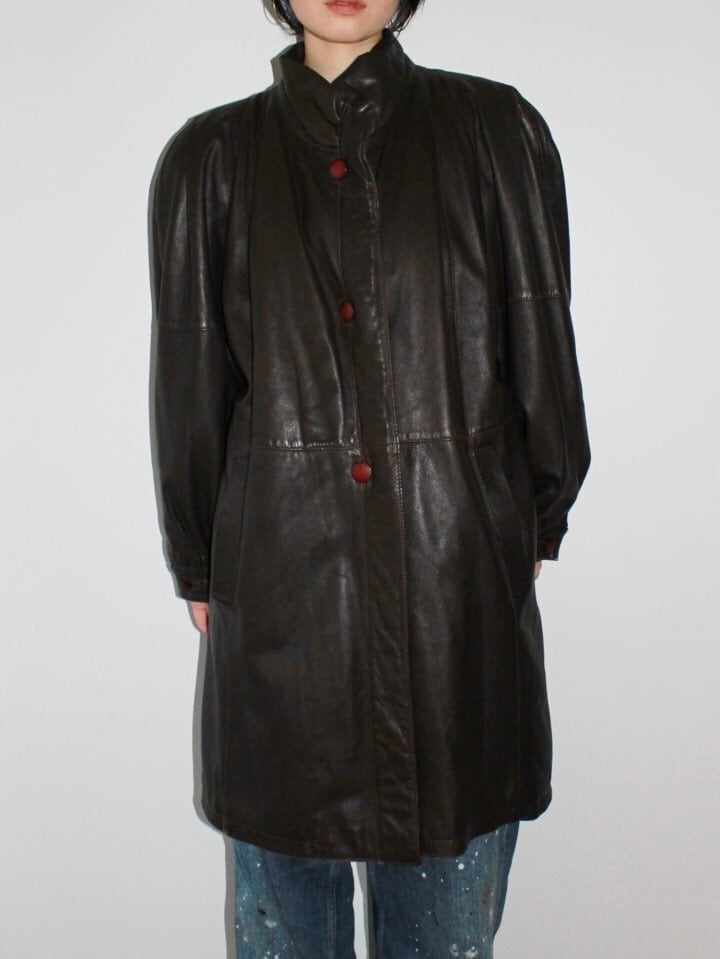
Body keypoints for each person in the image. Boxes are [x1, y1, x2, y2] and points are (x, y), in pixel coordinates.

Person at [148, 0, 590, 955]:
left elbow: (541, 341)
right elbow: (191, 385)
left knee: (443, 930)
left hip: (452, 607)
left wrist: (532, 520)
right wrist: (199, 561)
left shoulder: (495, 132)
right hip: (281, 614)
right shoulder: (211, 161)